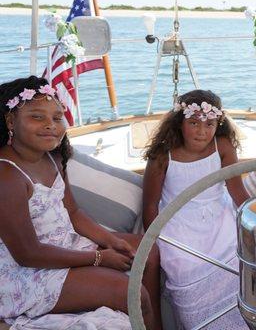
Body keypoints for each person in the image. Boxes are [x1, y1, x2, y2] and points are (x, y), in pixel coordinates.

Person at [0, 76, 161, 329]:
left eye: (56, 117)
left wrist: (111, 241)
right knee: (132, 294)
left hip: (67, 244)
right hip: (31, 271)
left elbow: (72, 213)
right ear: (11, 121)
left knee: (148, 249)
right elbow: (27, 254)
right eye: (37, 117)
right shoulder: (7, 176)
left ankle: (154, 324)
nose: (50, 125)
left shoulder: (52, 158)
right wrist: (98, 258)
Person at [142, 89, 250, 329]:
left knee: (238, 253)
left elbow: (238, 192)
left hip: (218, 219)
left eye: (210, 124)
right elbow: (150, 204)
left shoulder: (222, 146)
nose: (202, 131)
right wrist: (153, 241)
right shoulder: (163, 154)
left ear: (218, 124)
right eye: (193, 123)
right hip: (177, 225)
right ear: (179, 123)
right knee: (183, 264)